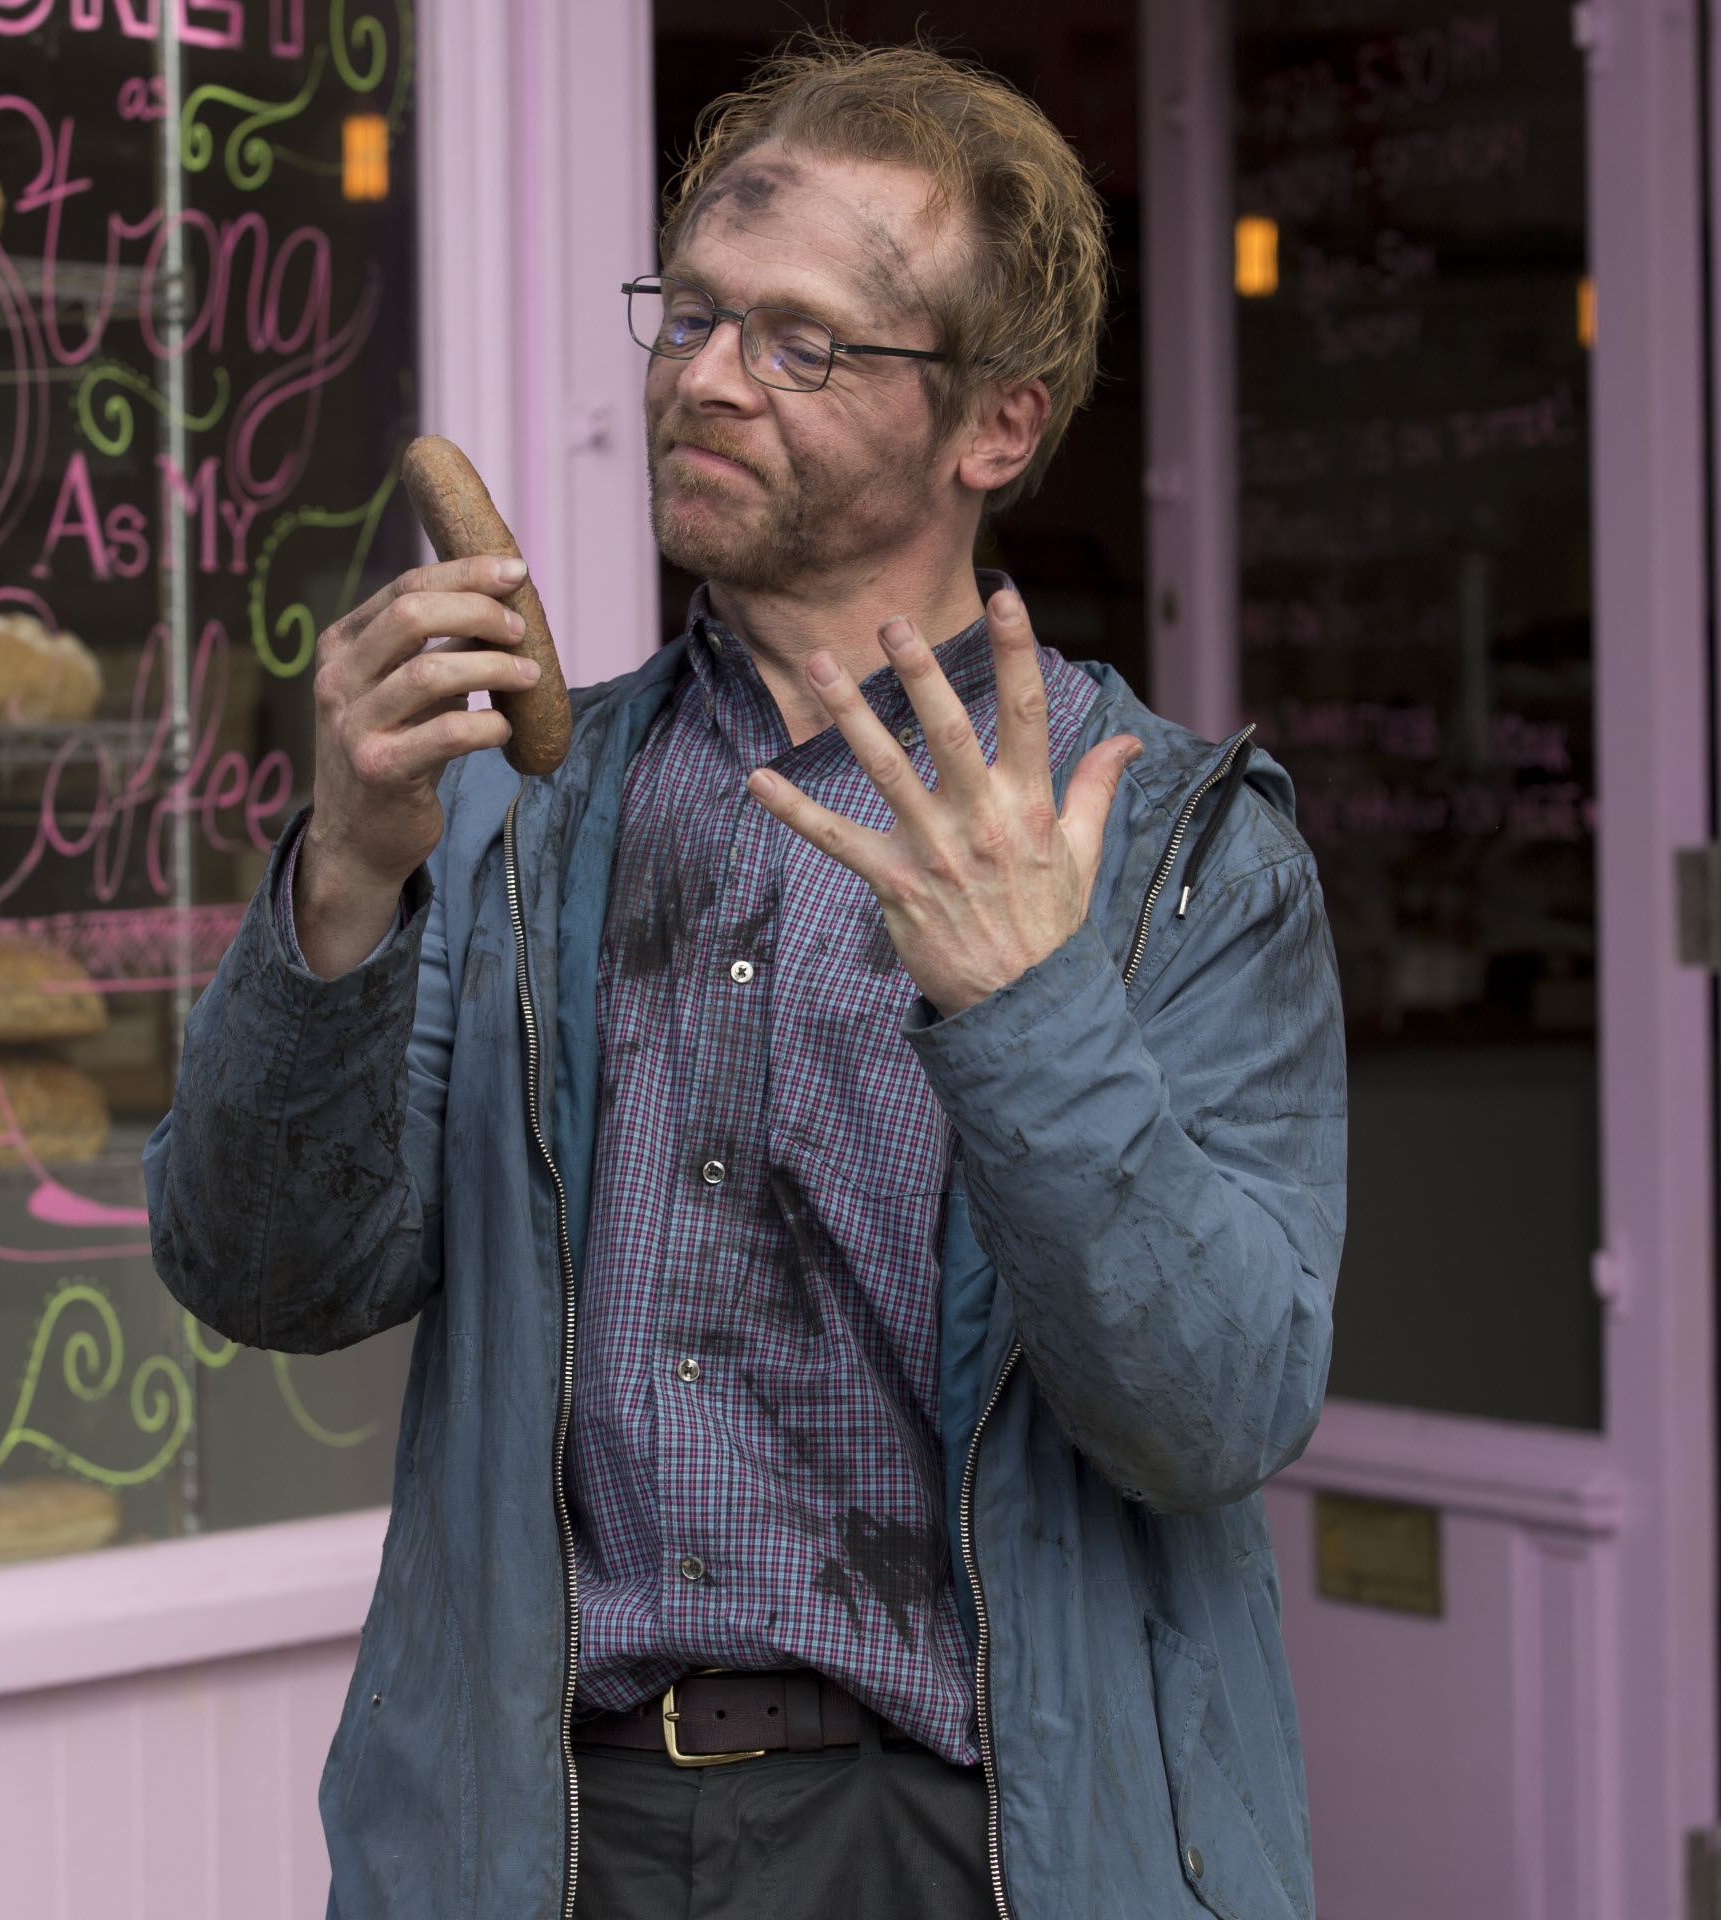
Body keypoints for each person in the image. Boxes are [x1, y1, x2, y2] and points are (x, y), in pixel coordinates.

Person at [146, 36, 1345, 1920]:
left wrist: (1028, 1013)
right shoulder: (512, 813)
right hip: (558, 1840)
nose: (702, 376)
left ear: (994, 426)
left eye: (801, 344)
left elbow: (1213, 1416)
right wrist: (348, 878)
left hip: (983, 1844)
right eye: (691, 313)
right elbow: (263, 1278)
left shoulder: (1177, 851)